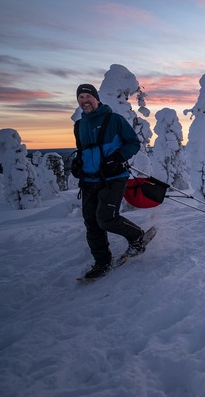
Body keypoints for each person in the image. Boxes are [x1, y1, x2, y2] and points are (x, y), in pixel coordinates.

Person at [71, 83, 146, 279]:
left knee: (106, 218)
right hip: (89, 180)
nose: (84, 101)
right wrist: (77, 164)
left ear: (96, 99)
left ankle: (137, 236)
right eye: (81, 98)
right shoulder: (79, 125)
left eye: (88, 96)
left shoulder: (114, 120)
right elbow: (84, 151)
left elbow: (133, 143)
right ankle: (102, 262)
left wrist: (118, 158)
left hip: (113, 177)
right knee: (91, 222)